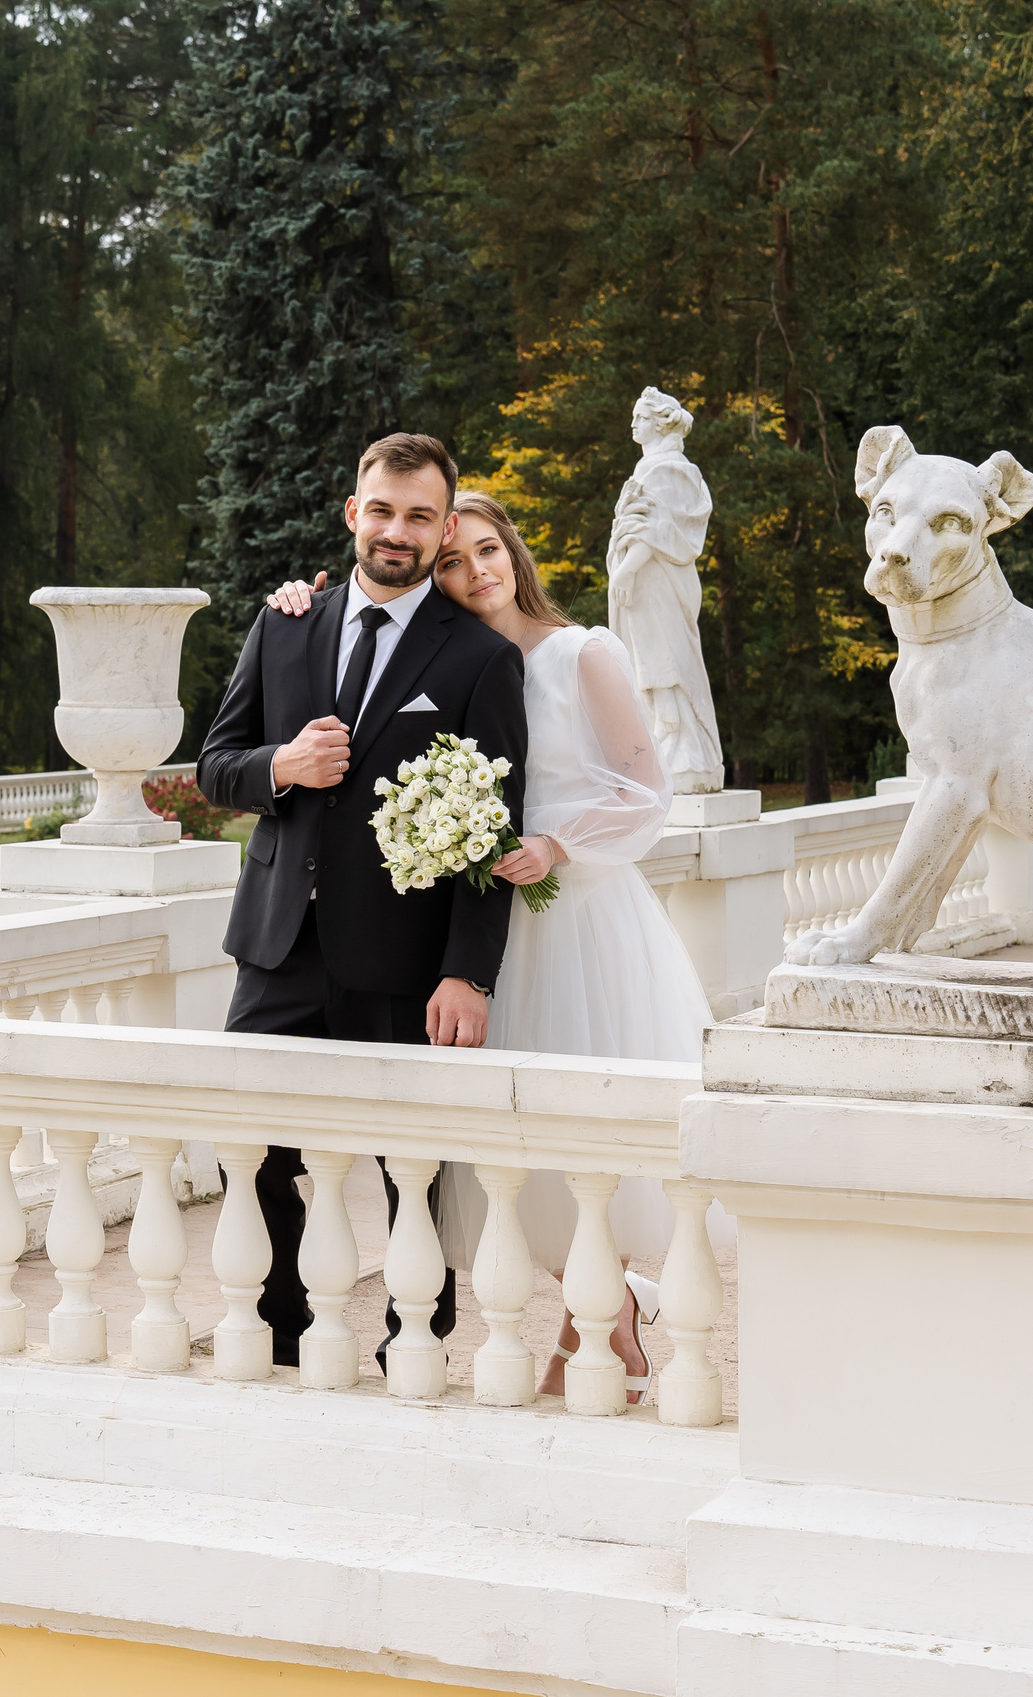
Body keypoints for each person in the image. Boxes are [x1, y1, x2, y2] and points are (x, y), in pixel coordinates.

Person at [265, 490, 716, 1401]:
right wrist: (294, 600)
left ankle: (605, 1326)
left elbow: (646, 790)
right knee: (518, 1146)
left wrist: (554, 844)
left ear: (514, 551)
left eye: (487, 551)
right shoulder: (456, 658)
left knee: (585, 1124)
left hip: (578, 916)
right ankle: (610, 1316)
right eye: (453, 563)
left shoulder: (580, 653)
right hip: (486, 925)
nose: (476, 573)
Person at [197, 435, 531, 1371]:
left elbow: (496, 832)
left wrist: (468, 969)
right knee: (249, 1146)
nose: (398, 530)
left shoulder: (477, 659)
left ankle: (413, 1339)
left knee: (410, 1169)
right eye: (382, 509)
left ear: (446, 527)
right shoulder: (286, 624)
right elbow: (214, 767)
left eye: (421, 516)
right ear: (353, 512)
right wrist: (282, 766)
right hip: (276, 945)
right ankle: (289, 1327)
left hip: (404, 957)